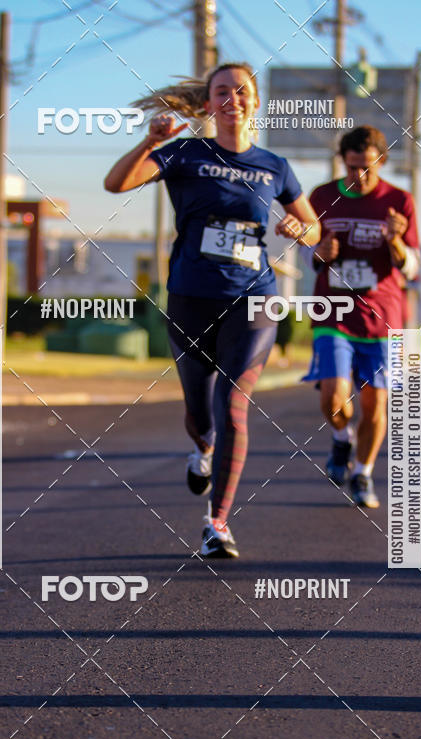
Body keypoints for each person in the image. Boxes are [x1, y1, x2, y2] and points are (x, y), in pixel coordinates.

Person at [104, 62, 320, 557]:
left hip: (256, 297)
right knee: (201, 414)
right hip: (190, 297)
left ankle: (217, 524)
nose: (232, 99)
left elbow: (316, 230)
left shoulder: (275, 166)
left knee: (234, 408)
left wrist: (300, 230)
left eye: (241, 91)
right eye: (222, 91)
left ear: (255, 102)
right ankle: (202, 450)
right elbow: (115, 185)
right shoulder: (183, 153)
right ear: (208, 104)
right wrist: (148, 142)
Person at [301, 125, 420, 508]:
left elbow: (413, 267)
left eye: (367, 168)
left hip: (385, 319)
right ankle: (341, 440)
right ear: (343, 162)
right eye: (352, 167)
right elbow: (305, 255)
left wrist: (395, 241)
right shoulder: (321, 196)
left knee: (375, 405)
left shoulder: (400, 200)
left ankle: (364, 474)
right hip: (333, 312)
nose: (359, 176)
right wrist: (321, 252)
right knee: (333, 398)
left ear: (382, 161)